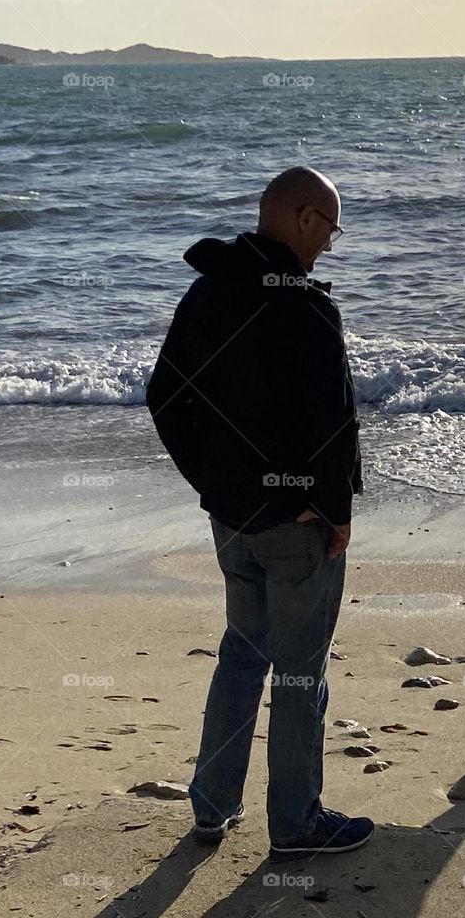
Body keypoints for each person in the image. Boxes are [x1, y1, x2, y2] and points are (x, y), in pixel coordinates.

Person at [146, 166, 374, 859]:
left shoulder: (207, 294)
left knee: (242, 656)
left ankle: (213, 807)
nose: (332, 244)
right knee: (301, 671)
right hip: (294, 523)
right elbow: (333, 423)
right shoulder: (305, 307)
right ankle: (297, 823)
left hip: (233, 514)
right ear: (303, 217)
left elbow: (165, 398)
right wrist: (332, 511)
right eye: (331, 227)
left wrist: (213, 483)